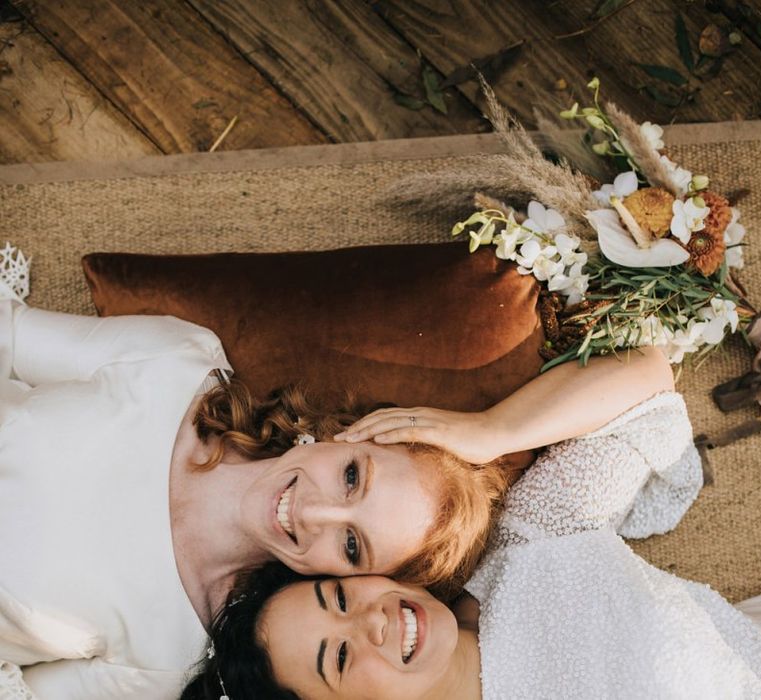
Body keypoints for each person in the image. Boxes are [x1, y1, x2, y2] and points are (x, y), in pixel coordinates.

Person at [0, 259, 510, 699]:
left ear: (354, 581)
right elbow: (12, 332)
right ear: (351, 435)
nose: (312, 512)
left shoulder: (169, 657)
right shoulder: (174, 363)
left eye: (352, 544)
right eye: (351, 477)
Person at [182, 369, 761, 698]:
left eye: (338, 597)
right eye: (338, 657)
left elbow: (647, 391)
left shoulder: (530, 548)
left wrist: (493, 432)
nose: (371, 621)